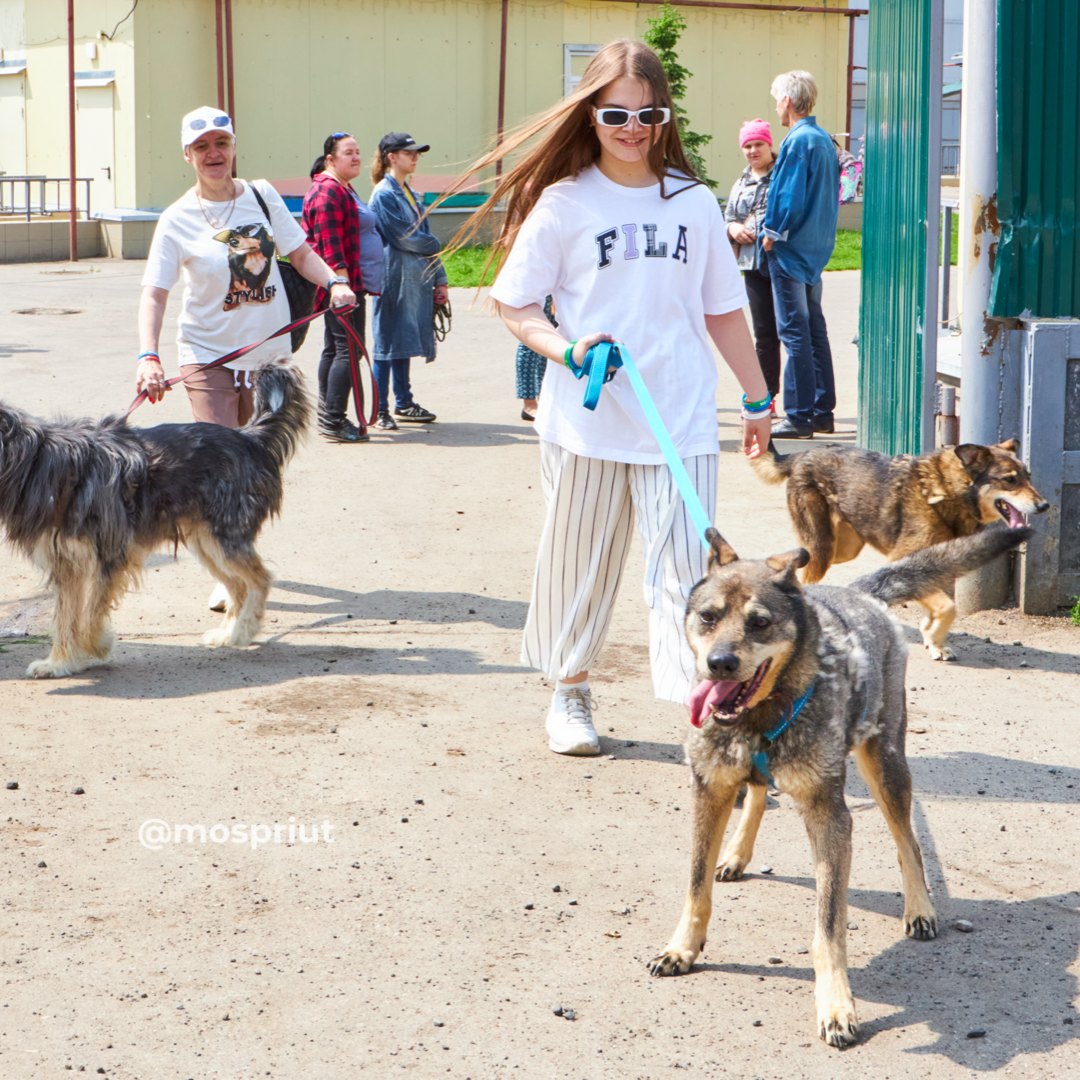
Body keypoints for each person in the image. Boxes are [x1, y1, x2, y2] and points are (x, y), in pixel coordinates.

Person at [449, 39, 771, 756]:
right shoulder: (562, 203)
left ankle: (717, 716)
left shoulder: (692, 202)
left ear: (664, 117)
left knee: (693, 576)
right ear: (591, 114)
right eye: (615, 113)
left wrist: (757, 400)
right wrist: (566, 350)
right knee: (579, 565)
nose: (632, 126)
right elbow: (517, 304)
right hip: (587, 421)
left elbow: (721, 310)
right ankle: (569, 693)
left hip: (679, 420)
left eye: (647, 112)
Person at [137, 106, 356, 608]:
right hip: (208, 353)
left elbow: (300, 253)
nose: (213, 154)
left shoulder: (262, 195)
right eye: (202, 146)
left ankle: (236, 550)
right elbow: (155, 294)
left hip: (269, 356)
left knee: (254, 465)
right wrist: (148, 356)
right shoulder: (176, 219)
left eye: (221, 143)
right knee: (218, 462)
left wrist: (334, 281)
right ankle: (228, 569)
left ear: (233, 146)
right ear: (187, 154)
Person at [761, 70, 840, 439]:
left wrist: (771, 233)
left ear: (788, 102)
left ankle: (798, 416)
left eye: (777, 98)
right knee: (813, 330)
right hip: (816, 247)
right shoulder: (822, 138)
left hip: (791, 250)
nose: (776, 105)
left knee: (793, 333)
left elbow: (787, 196)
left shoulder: (798, 141)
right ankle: (823, 411)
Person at [302, 132, 385, 442]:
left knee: (336, 349)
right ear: (330, 160)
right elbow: (330, 245)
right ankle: (334, 420)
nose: (356, 157)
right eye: (348, 152)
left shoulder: (341, 189)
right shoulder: (327, 193)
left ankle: (328, 416)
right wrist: (342, 286)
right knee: (346, 352)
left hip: (344, 285)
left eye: (358, 152)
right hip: (342, 288)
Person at [369, 133, 448, 426]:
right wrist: (436, 243)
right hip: (393, 278)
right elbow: (406, 238)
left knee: (401, 341)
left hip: (416, 279)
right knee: (387, 343)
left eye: (417, 153)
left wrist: (440, 280)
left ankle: (404, 403)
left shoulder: (410, 194)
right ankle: (379, 410)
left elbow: (424, 242)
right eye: (409, 152)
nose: (415, 157)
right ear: (392, 157)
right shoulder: (384, 194)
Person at [724, 118, 781, 407]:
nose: (752, 150)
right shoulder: (741, 182)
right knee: (764, 334)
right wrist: (733, 229)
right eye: (747, 145)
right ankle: (766, 396)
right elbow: (730, 217)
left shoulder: (784, 174)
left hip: (783, 263)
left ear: (770, 144)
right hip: (752, 266)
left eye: (758, 143)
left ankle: (807, 406)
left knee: (794, 332)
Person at [516, 296, 556, 421]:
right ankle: (529, 404)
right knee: (531, 341)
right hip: (538, 289)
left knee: (552, 338)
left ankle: (544, 398)